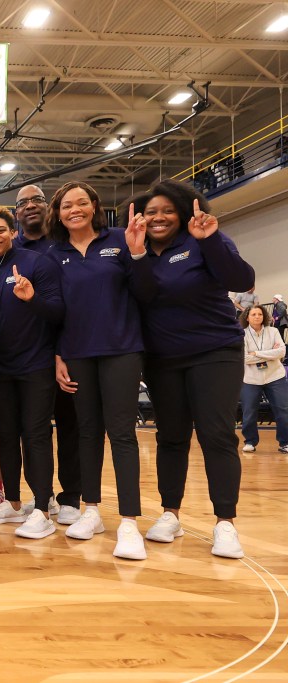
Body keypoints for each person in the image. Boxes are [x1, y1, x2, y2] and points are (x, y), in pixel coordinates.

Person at [124, 180, 255, 559]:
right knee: (171, 437)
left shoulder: (204, 238)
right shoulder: (140, 249)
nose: (159, 217)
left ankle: (225, 523)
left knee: (216, 435)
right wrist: (136, 256)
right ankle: (170, 513)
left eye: (167, 210)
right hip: (164, 358)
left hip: (215, 350)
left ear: (183, 212)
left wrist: (211, 240)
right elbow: (144, 295)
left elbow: (241, 281)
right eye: (151, 212)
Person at [46, 181, 152, 560]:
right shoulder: (53, 254)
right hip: (76, 353)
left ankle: (128, 522)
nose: (73, 209)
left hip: (122, 349)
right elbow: (56, 311)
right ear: (57, 213)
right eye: (65, 205)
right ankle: (91, 510)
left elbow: (145, 292)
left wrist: (138, 254)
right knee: (87, 433)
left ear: (94, 206)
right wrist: (59, 355)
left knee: (121, 434)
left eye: (81, 203)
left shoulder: (121, 241)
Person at [0, 207, 65, 539]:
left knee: (36, 434)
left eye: (0, 230)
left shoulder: (37, 263)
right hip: (0, 368)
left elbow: (57, 311)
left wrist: (32, 298)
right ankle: (12, 503)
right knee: (6, 435)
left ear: (12, 232)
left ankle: (42, 507)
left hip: (36, 364)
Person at [13, 184, 81, 524]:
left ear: (47, 206)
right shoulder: (12, 251)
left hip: (69, 346)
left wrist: (64, 348)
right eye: (22, 202)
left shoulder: (64, 242)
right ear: (16, 213)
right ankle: (43, 496)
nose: (30, 206)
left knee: (70, 425)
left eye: (36, 199)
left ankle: (71, 497)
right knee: (33, 430)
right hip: (29, 354)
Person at [240, 305, 288, 456]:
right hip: (251, 379)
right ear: (247, 317)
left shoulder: (273, 331)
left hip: (275, 376)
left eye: (260, 314)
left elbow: (281, 351)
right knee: (249, 412)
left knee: (283, 410)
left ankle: (285, 442)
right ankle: (249, 441)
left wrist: (256, 353)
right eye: (253, 314)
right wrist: (270, 354)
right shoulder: (242, 334)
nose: (257, 316)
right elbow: (244, 358)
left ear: (264, 316)